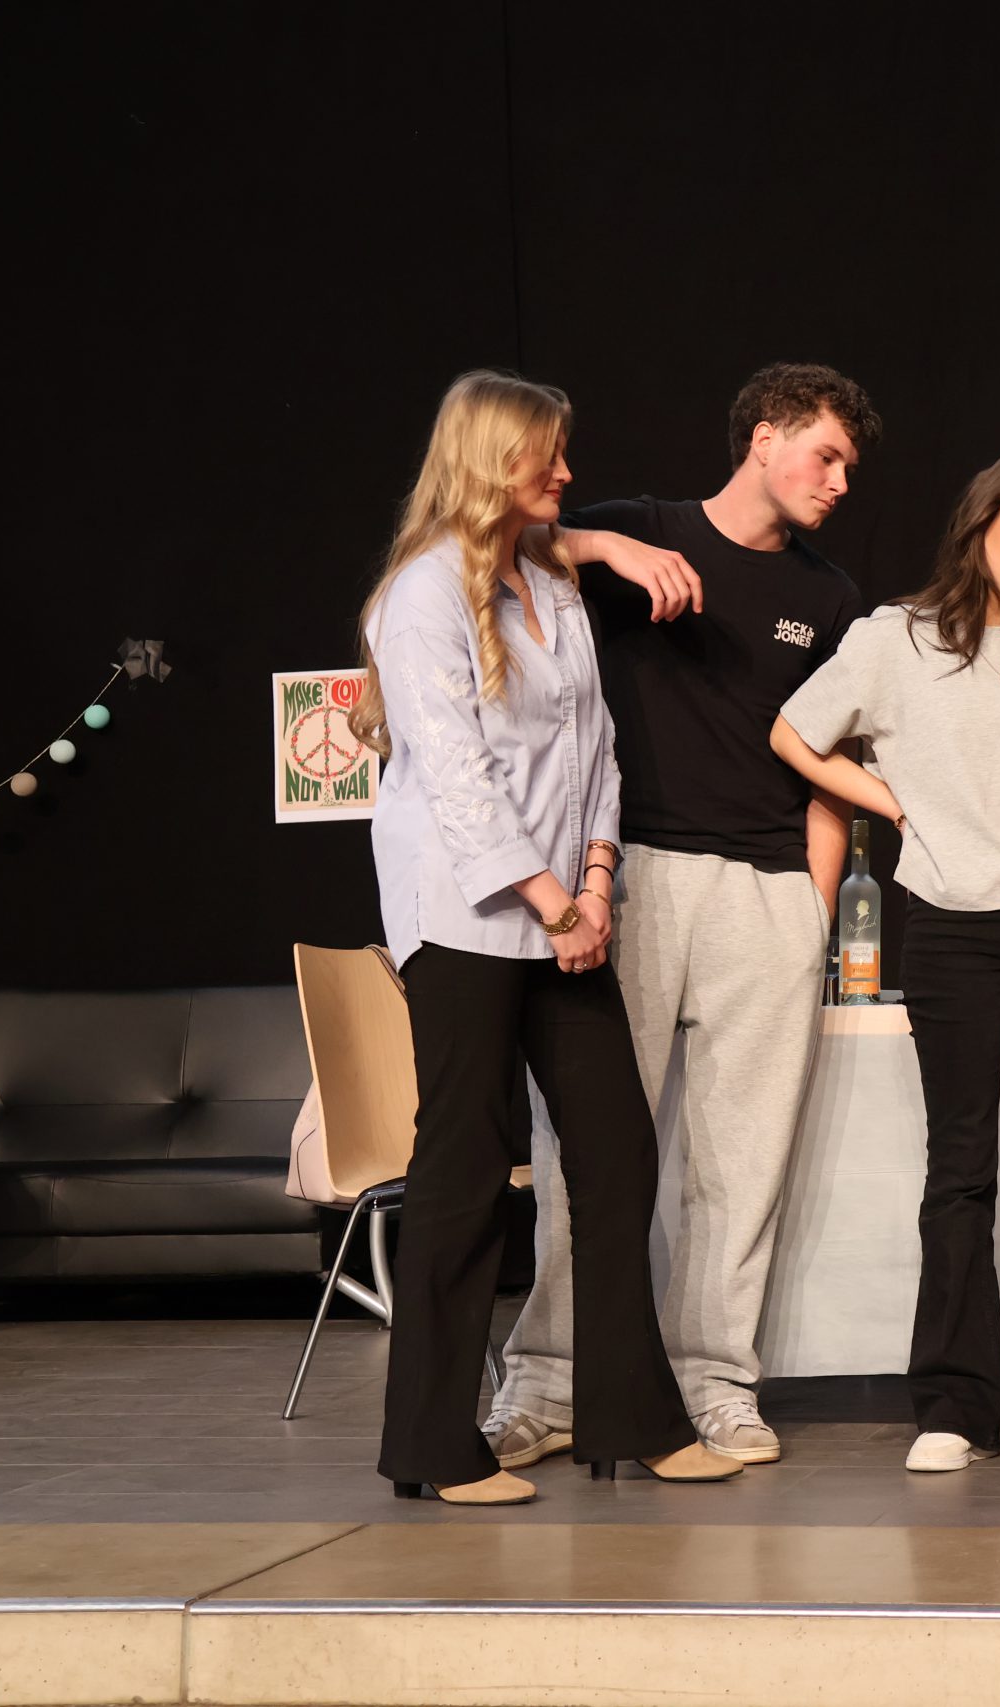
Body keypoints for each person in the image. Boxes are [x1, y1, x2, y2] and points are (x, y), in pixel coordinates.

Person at [352, 370, 742, 1503]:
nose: (568, 473)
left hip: (567, 912)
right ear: (491, 459)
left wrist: (598, 881)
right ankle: (433, 1446)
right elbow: (459, 782)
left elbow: (596, 751)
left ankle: (630, 1416)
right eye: (548, 454)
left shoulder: (550, 583)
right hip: (465, 915)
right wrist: (554, 903)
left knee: (617, 1154)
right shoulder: (421, 596)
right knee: (465, 1167)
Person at [481, 362, 879, 1470]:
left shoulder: (830, 597)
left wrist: (811, 912)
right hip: (631, 876)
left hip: (767, 891)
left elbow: (829, 763)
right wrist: (606, 548)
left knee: (741, 1164)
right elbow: (492, 550)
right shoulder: (638, 532)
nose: (839, 482)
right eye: (826, 455)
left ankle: (716, 1382)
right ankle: (549, 1381)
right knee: (591, 1154)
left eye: (850, 466)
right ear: (764, 437)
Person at [770, 453, 1000, 1476]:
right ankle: (954, 1403)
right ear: (983, 516)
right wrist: (894, 804)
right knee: (958, 1165)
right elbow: (793, 733)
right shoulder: (893, 637)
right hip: (948, 917)